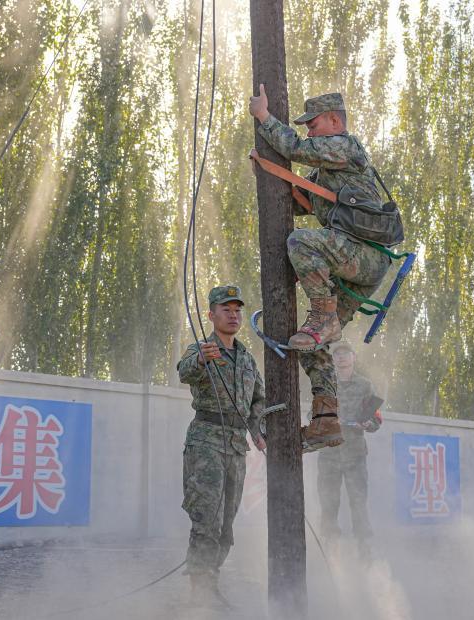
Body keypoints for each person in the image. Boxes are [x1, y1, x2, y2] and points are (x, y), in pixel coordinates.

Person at [248, 85, 391, 452]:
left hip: (364, 255)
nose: (309, 131)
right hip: (357, 265)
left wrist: (264, 116)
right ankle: (327, 418)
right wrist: (265, 173)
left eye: (313, 124)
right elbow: (300, 202)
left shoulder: (344, 146)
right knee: (313, 343)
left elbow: (296, 148)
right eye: (307, 126)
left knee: (301, 242)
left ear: (334, 120)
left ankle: (323, 317)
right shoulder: (331, 170)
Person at [177, 285, 266, 606]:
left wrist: (259, 430)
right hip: (206, 443)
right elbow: (183, 372)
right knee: (206, 519)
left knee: (227, 522)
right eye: (225, 309)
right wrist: (201, 359)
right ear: (211, 315)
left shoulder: (246, 358)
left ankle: (210, 580)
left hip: (235, 447)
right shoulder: (202, 350)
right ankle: (200, 592)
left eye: (237, 309)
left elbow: (259, 399)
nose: (233, 314)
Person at [316, 341, 382, 563]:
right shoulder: (325, 384)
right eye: (337, 354)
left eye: (346, 353)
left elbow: (376, 418)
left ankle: (365, 553)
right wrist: (326, 421)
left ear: (354, 357)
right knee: (328, 503)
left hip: (354, 453)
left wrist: (368, 424)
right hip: (329, 454)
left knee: (358, 503)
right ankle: (330, 552)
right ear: (333, 359)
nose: (341, 357)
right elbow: (312, 415)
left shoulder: (365, 385)